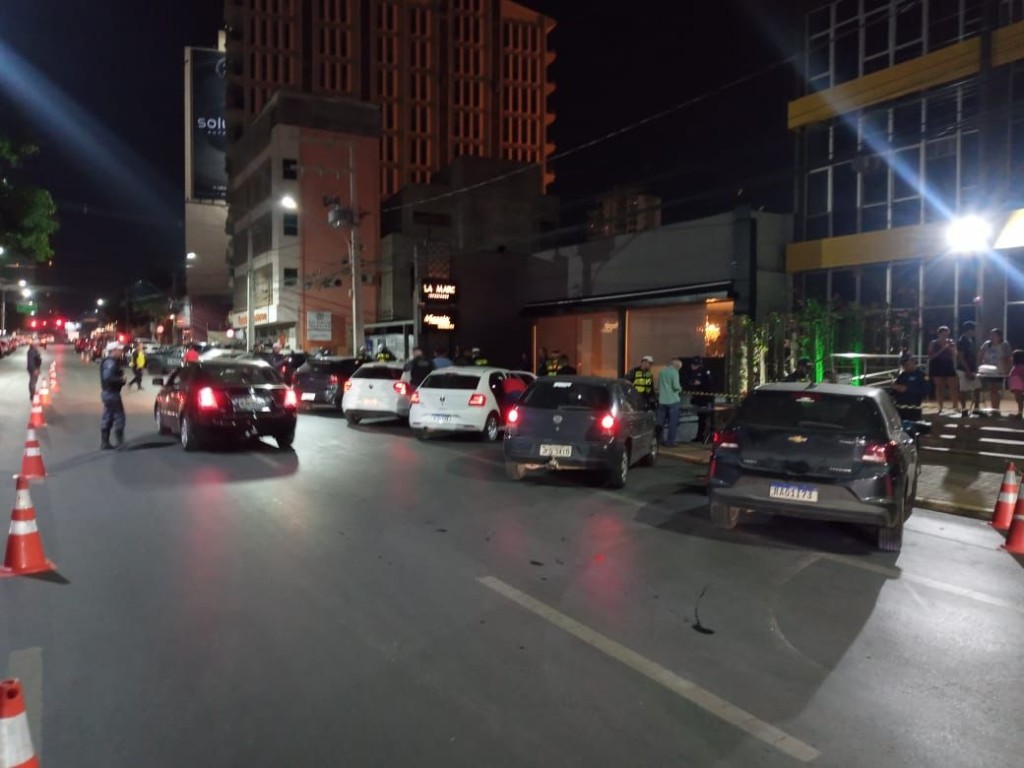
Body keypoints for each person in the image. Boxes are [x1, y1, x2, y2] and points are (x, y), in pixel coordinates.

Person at [99, 341, 127, 450]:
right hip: (112, 393)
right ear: (113, 351)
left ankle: (105, 443)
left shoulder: (110, 362)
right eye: (119, 350)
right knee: (119, 417)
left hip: (108, 393)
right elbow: (108, 377)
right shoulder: (111, 363)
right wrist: (121, 380)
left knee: (108, 416)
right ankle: (120, 443)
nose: (121, 352)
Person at [927, 325, 960, 414]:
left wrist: (950, 348)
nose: (945, 337)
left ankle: (955, 406)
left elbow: (955, 354)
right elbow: (930, 356)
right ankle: (940, 407)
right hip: (937, 365)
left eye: (947, 335)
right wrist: (942, 348)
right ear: (939, 334)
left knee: (953, 386)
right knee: (939, 387)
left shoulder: (951, 342)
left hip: (948, 364)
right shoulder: (933, 343)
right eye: (943, 335)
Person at [978, 327, 1012, 412]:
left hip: (1000, 371)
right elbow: (980, 355)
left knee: (996, 389)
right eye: (991, 334)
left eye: (994, 335)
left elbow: (1008, 357)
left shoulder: (1004, 344)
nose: (991, 336)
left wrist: (1008, 370)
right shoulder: (987, 344)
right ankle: (994, 408)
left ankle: (996, 409)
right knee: (992, 390)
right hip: (989, 371)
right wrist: (981, 366)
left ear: (999, 336)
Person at [891, 352, 928, 422]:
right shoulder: (902, 376)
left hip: (913, 411)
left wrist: (907, 389)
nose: (905, 367)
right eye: (903, 365)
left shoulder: (921, 376)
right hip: (900, 411)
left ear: (913, 362)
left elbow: (925, 391)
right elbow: (894, 392)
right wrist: (895, 388)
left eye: (906, 365)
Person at [684, 356, 714, 443]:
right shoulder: (703, 371)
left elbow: (697, 383)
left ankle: (703, 436)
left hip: (704, 400)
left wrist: (690, 383)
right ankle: (700, 436)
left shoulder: (701, 372)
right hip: (703, 399)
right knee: (702, 418)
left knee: (703, 418)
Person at [957, 320, 981, 417]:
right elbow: (961, 357)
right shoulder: (962, 341)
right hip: (963, 369)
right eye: (974, 329)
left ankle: (976, 408)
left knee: (977, 387)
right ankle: (964, 409)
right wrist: (967, 370)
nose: (975, 332)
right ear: (970, 330)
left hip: (972, 368)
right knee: (963, 389)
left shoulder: (971, 340)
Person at [657, 358, 683, 447]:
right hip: (673, 400)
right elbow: (676, 386)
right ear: (677, 366)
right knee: (673, 423)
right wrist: (680, 388)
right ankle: (670, 442)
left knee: (660, 422)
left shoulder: (662, 371)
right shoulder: (674, 372)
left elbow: (659, 385)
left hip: (662, 400)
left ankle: (659, 440)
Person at [1008, 350, 1024, 418]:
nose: (1011, 358)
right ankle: (1019, 413)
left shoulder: (1021, 367)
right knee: (1018, 399)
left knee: (1019, 399)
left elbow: (1022, 375)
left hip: (1019, 386)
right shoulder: (1015, 367)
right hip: (1016, 386)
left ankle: (1020, 413)